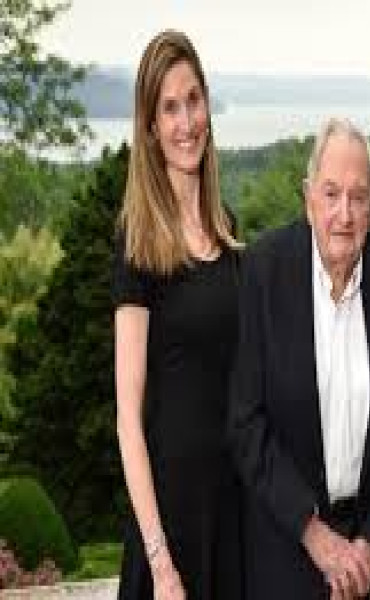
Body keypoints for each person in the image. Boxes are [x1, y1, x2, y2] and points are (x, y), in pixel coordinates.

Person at [228, 117, 370, 599]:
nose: (344, 213)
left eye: (358, 197)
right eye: (331, 193)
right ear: (308, 198)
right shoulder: (263, 272)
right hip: (285, 555)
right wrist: (313, 533)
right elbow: (245, 422)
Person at [112, 30, 243, 600]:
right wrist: (161, 564)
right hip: (171, 534)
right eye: (169, 108)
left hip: (231, 519)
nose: (186, 122)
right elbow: (127, 421)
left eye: (193, 100)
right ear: (150, 127)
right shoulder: (137, 244)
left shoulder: (228, 229)